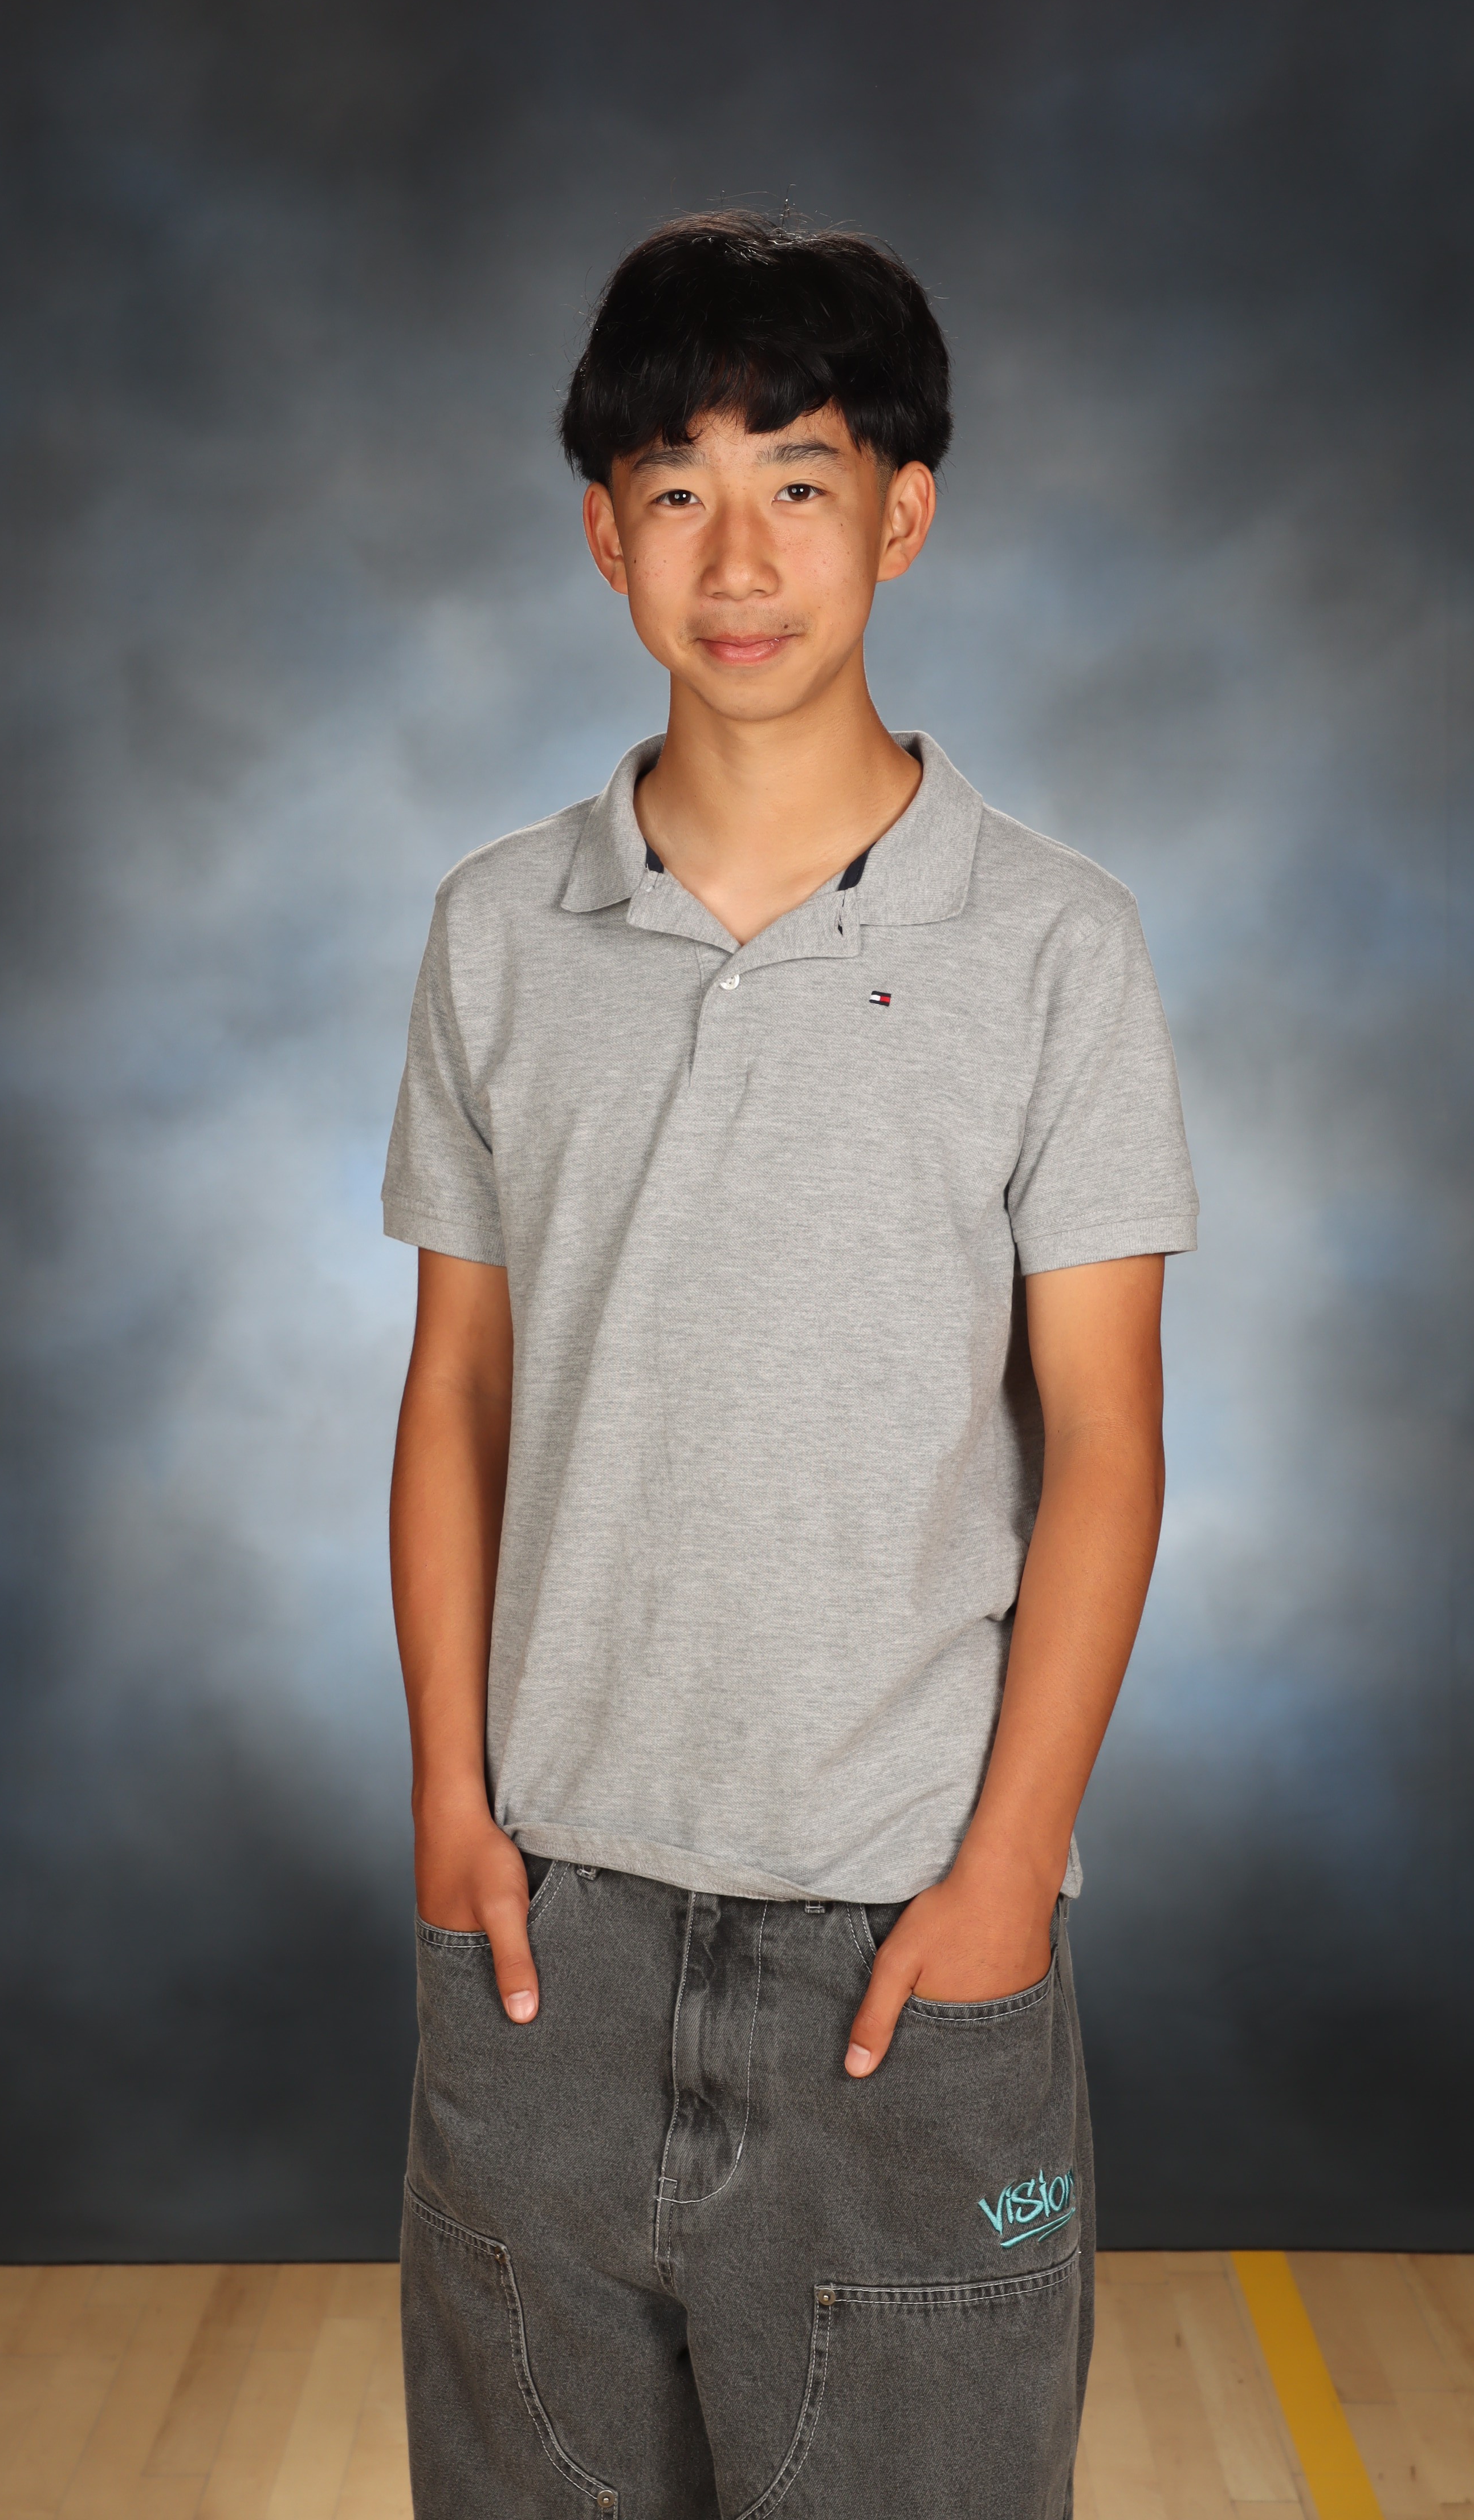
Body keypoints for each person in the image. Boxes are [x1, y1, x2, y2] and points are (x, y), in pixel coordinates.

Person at [382, 210, 1198, 2519]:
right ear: (603, 535)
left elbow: (1108, 1444)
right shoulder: (495, 931)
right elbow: (456, 1395)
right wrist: (450, 1806)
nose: (735, 559)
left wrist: (1006, 1872)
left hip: (901, 1925)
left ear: (901, 517)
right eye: (676, 490)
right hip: (545, 1922)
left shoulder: (1053, 945)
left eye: (799, 483)